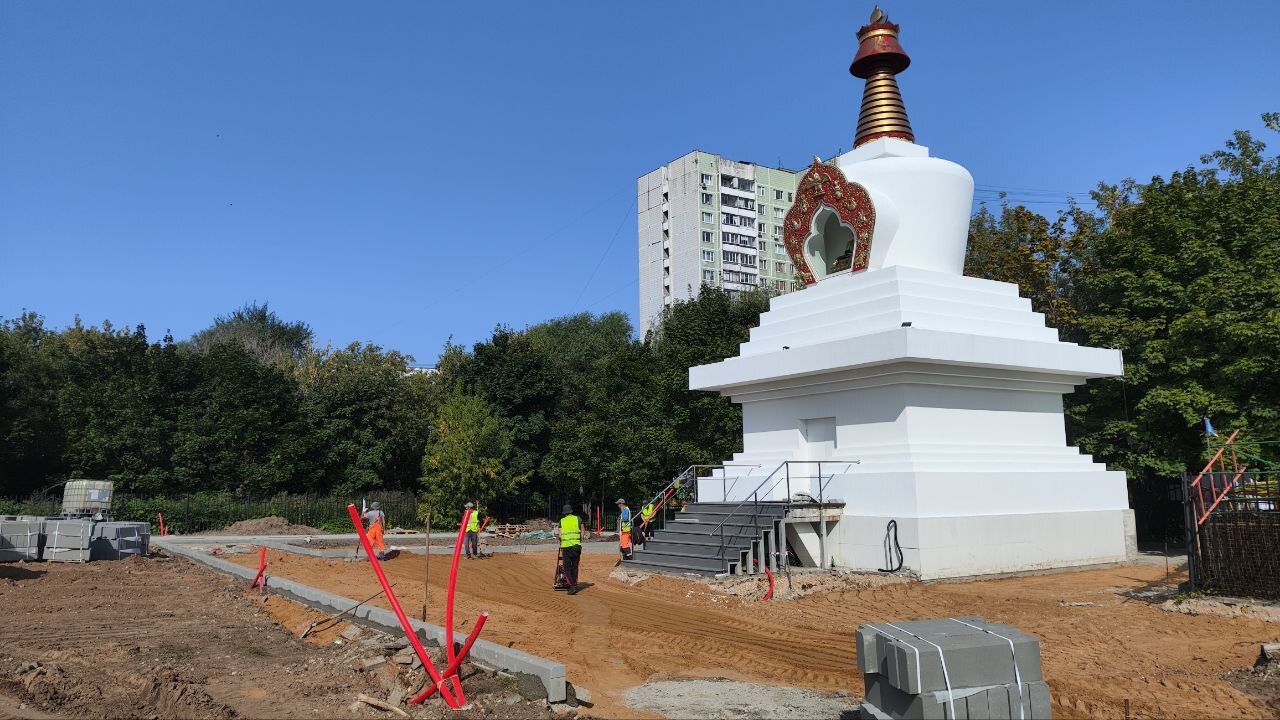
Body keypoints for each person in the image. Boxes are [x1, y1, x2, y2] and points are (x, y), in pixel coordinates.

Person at [555, 504, 584, 595]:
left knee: (567, 567)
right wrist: (580, 539)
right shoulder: (578, 519)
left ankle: (572, 585)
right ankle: (574, 584)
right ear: (571, 511)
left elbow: (560, 535)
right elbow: (582, 531)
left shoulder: (562, 521)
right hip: (576, 547)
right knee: (575, 567)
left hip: (566, 547)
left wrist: (561, 541)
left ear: (564, 513)